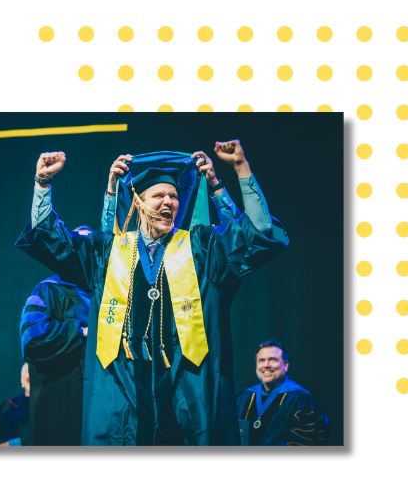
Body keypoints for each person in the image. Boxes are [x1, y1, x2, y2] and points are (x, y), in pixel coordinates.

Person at [15, 142, 289, 444]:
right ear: (138, 202)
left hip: (187, 388)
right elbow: (52, 240)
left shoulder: (201, 247)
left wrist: (236, 171)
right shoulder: (107, 252)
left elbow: (257, 233)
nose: (168, 201)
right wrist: (43, 184)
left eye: (174, 196)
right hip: (123, 389)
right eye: (159, 195)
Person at [20, 268, 93, 445]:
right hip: (60, 400)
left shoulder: (103, 293)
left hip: (94, 401)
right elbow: (33, 340)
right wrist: (81, 333)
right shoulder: (48, 289)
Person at [236, 340, 328, 445]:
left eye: (272, 360)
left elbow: (307, 442)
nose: (266, 365)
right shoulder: (244, 397)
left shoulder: (300, 399)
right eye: (261, 360)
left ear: (286, 365)